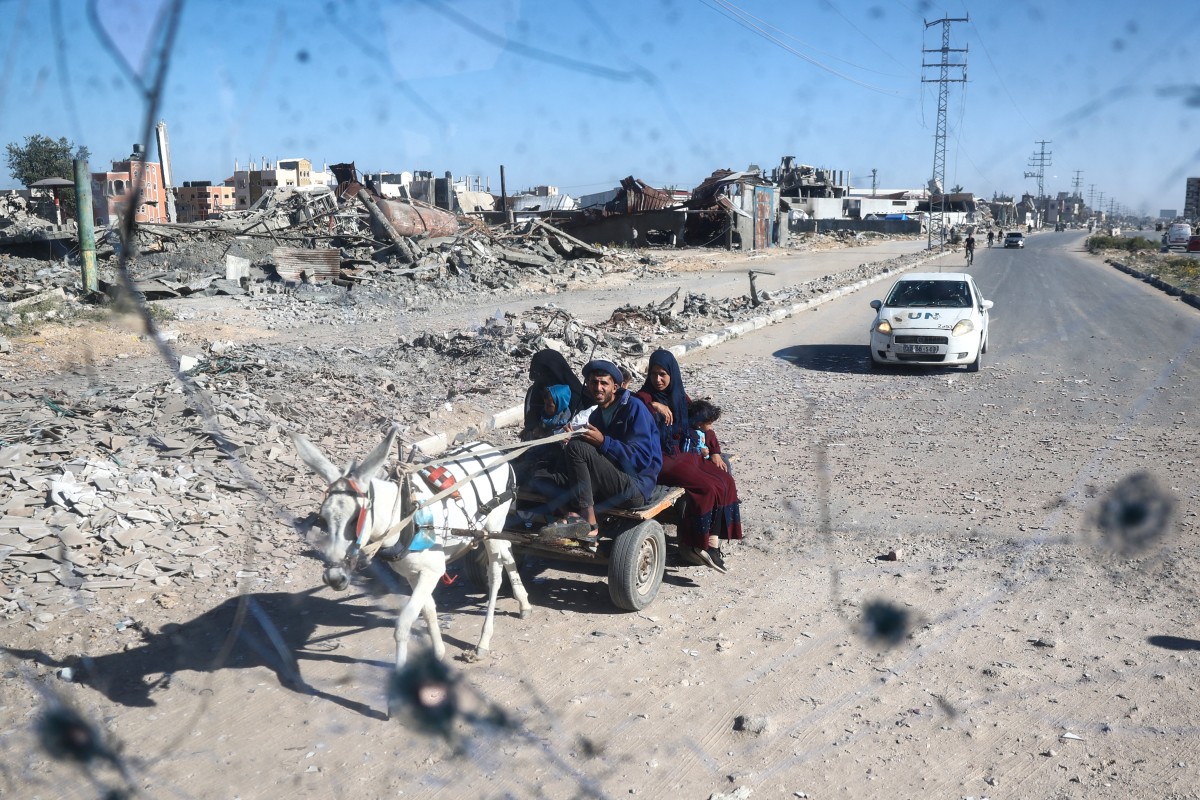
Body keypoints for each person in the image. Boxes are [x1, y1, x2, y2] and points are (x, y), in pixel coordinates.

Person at [531, 359, 662, 541]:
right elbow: (591, 456)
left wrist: (603, 442)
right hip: (607, 481)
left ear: (615, 387)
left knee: (578, 448)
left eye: (604, 383)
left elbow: (641, 460)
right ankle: (572, 516)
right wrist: (568, 441)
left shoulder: (634, 409)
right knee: (540, 472)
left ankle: (590, 524)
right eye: (594, 382)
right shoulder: (596, 414)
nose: (598, 388)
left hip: (635, 485)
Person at [636, 349, 742, 572]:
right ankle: (696, 544)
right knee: (706, 486)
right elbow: (631, 403)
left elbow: (703, 424)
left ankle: (712, 543)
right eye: (654, 374)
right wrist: (655, 405)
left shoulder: (681, 398)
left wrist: (714, 451)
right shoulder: (643, 398)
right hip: (659, 458)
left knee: (725, 480)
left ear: (672, 374)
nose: (658, 380)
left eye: (663, 374)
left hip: (685, 454)